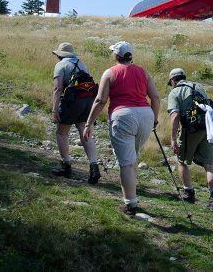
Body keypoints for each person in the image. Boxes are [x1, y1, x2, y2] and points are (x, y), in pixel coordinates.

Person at [84, 41, 160, 215]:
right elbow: (155, 97)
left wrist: (89, 123)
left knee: (126, 162)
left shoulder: (110, 73)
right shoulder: (143, 72)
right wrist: (154, 120)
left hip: (123, 115)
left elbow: (100, 100)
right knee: (132, 157)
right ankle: (131, 197)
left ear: (116, 56)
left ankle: (130, 204)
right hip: (145, 114)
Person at [167, 68, 213, 212]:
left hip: (190, 130)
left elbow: (175, 116)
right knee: (209, 165)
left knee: (182, 161)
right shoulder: (198, 87)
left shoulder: (175, 92)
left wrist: (173, 139)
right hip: (208, 128)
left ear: (173, 80)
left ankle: (188, 193)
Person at [50, 42, 101, 184]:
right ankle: (94, 166)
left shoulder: (60, 66)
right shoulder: (82, 64)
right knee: (84, 132)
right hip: (88, 101)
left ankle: (66, 166)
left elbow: (58, 88)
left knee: (61, 132)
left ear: (59, 55)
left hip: (72, 101)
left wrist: (55, 108)